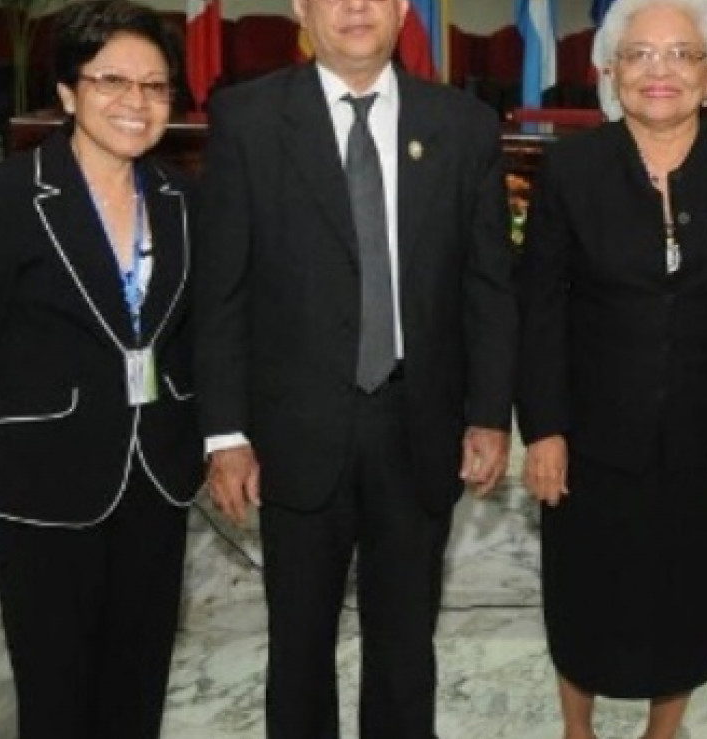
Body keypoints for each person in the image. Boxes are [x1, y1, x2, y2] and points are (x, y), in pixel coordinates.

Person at [194, 0, 517, 735]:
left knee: (406, 645)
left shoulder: (461, 126)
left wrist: (491, 413)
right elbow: (221, 293)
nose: (355, 7)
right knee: (299, 645)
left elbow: (489, 286)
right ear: (303, 9)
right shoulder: (248, 121)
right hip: (294, 433)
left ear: (404, 8)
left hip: (419, 424)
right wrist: (224, 433)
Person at [514, 1, 707, 737]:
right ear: (611, 73)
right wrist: (543, 429)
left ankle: (661, 731)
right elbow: (539, 311)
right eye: (639, 55)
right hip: (591, 441)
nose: (659, 71)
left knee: (687, 604)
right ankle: (577, 728)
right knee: (584, 601)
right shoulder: (570, 167)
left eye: (680, 55)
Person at [0, 1, 198, 736]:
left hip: (156, 475)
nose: (135, 103)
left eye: (154, 86)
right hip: (41, 482)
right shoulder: (4, 198)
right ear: (67, 91)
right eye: (113, 80)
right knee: (55, 692)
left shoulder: (184, 200)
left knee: (138, 682)